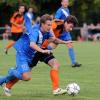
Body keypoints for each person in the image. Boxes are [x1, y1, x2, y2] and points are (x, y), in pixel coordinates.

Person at [0, 14, 68, 96]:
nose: (50, 27)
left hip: (30, 56)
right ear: (42, 24)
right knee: (26, 77)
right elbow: (32, 44)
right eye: (48, 25)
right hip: (22, 54)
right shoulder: (36, 31)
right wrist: (43, 51)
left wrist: (65, 42)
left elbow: (54, 39)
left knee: (24, 75)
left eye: (51, 25)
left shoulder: (46, 31)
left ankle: (3, 80)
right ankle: (11, 71)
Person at [55, 0, 81, 67]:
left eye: (67, 2)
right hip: (59, 31)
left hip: (66, 32)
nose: (66, 3)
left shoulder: (67, 10)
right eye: (65, 2)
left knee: (70, 45)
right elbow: (56, 20)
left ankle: (73, 62)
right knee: (50, 47)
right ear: (61, 3)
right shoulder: (60, 10)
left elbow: (69, 21)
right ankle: (37, 54)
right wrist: (64, 21)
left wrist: (69, 27)